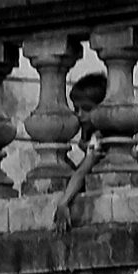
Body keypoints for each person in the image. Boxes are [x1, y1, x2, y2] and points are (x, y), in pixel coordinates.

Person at [52, 72, 106, 233]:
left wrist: (64, 201)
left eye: (87, 109)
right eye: (77, 109)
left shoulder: (99, 137)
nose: (80, 115)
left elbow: (84, 170)